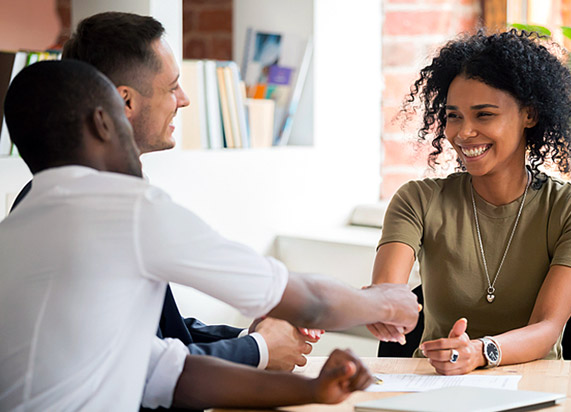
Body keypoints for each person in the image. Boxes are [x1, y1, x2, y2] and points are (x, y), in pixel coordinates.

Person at [0, 60, 419, 410]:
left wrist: (311, 389)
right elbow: (310, 302)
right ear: (102, 123)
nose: (182, 99)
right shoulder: (125, 206)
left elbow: (167, 373)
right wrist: (384, 302)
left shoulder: (14, 231)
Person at [10, 10, 322, 381]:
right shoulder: (103, 211)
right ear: (124, 102)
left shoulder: (54, 195)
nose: (185, 99)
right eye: (173, 86)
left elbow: (162, 331)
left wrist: (249, 337)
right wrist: (260, 349)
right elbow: (147, 370)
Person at [367, 29, 571, 375]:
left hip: (539, 386)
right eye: (453, 115)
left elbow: (547, 328)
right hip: (435, 387)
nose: (463, 133)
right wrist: (381, 307)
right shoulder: (417, 201)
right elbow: (387, 291)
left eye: (484, 115)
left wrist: (481, 351)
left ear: (530, 115)